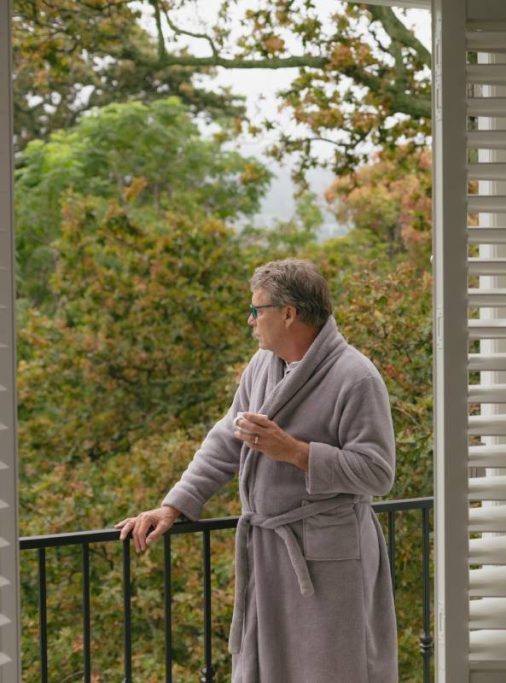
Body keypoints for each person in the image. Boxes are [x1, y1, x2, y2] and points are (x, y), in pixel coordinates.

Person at [115, 258, 398, 683]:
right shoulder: (262, 367)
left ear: (288, 313)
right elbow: (226, 441)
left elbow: (378, 472)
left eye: (256, 310)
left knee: (332, 671)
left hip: (329, 561)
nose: (250, 321)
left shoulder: (355, 377)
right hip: (270, 555)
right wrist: (172, 506)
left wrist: (297, 453)